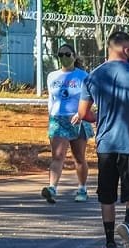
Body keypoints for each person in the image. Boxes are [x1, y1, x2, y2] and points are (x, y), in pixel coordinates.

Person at [76, 31, 129, 248]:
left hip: (106, 144)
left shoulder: (92, 76)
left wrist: (98, 118)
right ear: (127, 50)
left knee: (107, 194)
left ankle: (109, 244)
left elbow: (83, 112)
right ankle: (128, 224)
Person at [43, 44, 93, 204]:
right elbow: (51, 98)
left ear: (74, 55)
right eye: (61, 55)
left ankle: (82, 188)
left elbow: (90, 98)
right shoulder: (52, 76)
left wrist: (81, 114)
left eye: (67, 54)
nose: (64, 58)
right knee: (57, 156)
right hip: (58, 119)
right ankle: (52, 188)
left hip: (77, 119)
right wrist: (51, 114)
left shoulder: (83, 76)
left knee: (79, 157)